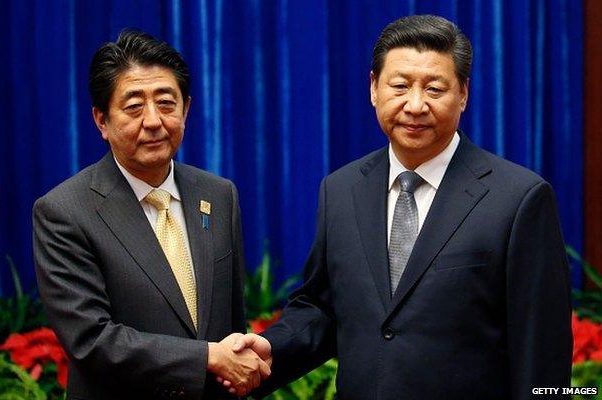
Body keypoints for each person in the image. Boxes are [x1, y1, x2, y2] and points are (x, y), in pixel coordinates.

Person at [230, 15, 572, 399]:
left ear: (463, 93)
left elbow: (543, 348)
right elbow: (322, 308)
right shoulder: (341, 189)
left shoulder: (519, 197)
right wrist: (271, 350)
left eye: (434, 88)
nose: (415, 105)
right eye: (400, 86)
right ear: (374, 88)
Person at [33, 30, 269, 400]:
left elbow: (232, 324)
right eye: (133, 107)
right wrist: (207, 357)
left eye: (166, 103)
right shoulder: (65, 211)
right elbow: (92, 341)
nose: (154, 120)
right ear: (101, 121)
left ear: (186, 109)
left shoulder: (219, 195)